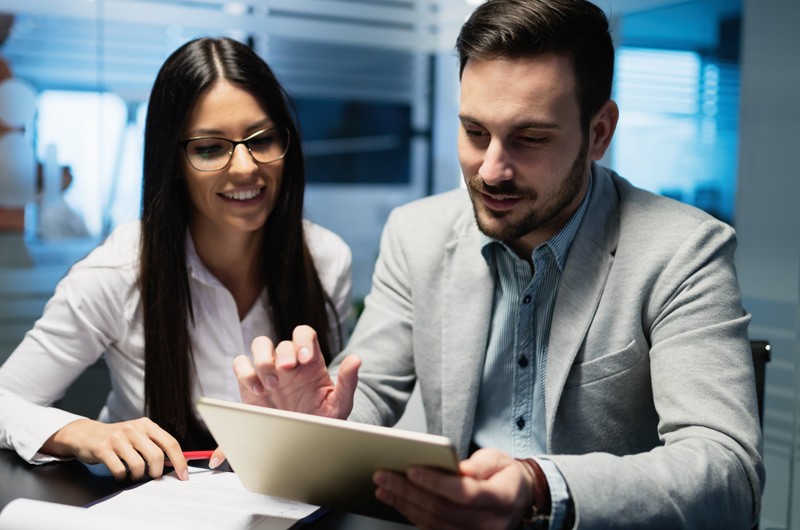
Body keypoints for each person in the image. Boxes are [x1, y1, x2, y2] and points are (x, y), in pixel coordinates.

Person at [228, 1, 765, 528]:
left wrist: (538, 488)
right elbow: (370, 388)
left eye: (530, 139)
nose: (490, 171)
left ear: (599, 132)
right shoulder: (416, 233)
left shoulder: (684, 251)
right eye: (475, 132)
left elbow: (727, 471)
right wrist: (322, 423)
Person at [0, 37, 351, 483]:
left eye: (261, 140)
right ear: (174, 160)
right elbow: (4, 401)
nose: (244, 167)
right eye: (210, 148)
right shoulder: (116, 273)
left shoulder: (326, 259)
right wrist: (84, 432)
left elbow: (325, 407)